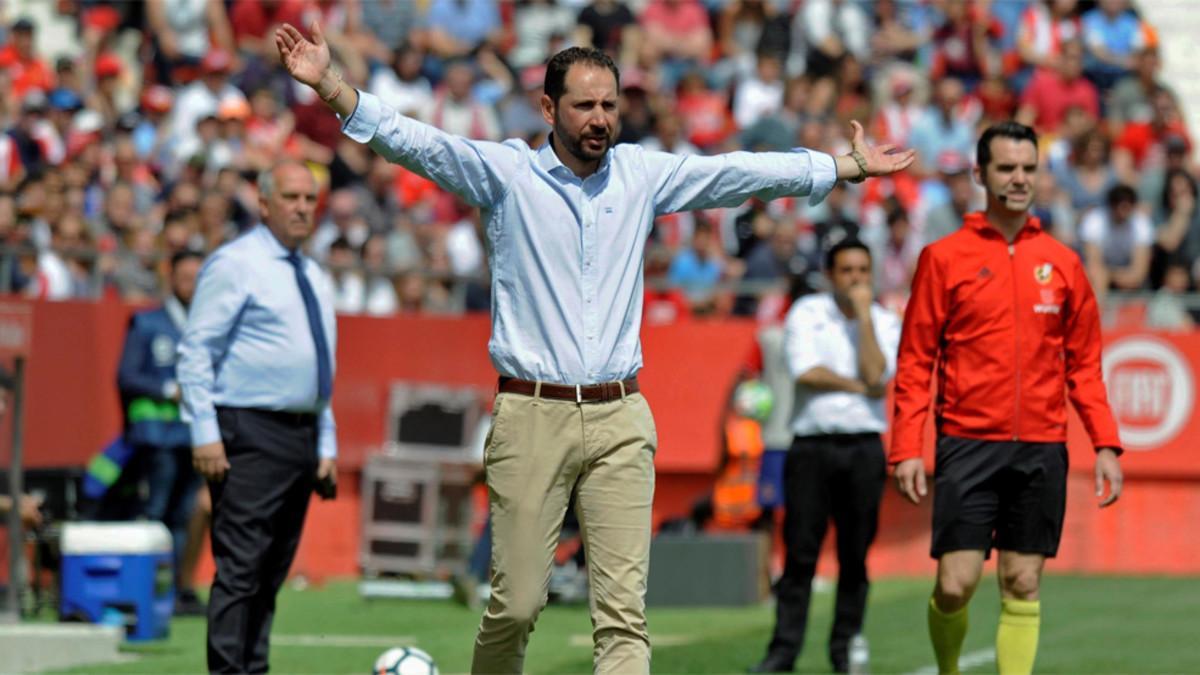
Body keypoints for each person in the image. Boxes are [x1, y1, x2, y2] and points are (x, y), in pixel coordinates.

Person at [275, 22, 914, 673]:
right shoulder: (508, 174)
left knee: (624, 618)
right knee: (517, 604)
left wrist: (836, 166)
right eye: (585, 105)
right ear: (549, 108)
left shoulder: (639, 173)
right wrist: (330, 83)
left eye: (610, 104)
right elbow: (414, 141)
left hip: (620, 415)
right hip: (531, 414)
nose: (601, 118)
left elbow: (731, 172)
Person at [891, 122, 1124, 675]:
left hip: (1041, 447)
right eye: (1006, 168)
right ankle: (949, 670)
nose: (1019, 179)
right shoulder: (943, 258)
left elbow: (1085, 366)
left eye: (1027, 168)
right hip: (967, 444)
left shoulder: (1064, 263)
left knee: (1023, 580)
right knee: (955, 584)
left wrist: (1107, 444)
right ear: (979, 174)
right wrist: (905, 447)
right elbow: (915, 361)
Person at [177, 160, 338, 673]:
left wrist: (325, 440)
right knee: (241, 569)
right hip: (248, 429)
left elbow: (320, 365)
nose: (302, 208)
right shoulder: (235, 263)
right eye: (291, 198)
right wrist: (204, 432)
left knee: (271, 572)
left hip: (301, 432)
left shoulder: (313, 272)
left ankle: (254, 668)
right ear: (264, 204)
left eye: (309, 199)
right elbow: (196, 351)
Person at [750, 239, 902, 674]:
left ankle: (845, 649)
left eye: (863, 271)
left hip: (863, 446)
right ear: (831, 274)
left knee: (856, 557)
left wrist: (865, 320)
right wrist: (860, 388)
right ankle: (783, 653)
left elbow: (878, 373)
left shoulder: (884, 320)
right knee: (800, 555)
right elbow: (807, 372)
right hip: (812, 446)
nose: (856, 279)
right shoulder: (807, 313)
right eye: (848, 271)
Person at [116, 249, 207, 616]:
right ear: (172, 278)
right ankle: (146, 590)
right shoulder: (148, 323)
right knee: (156, 512)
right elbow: (127, 375)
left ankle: (177, 592)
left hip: (194, 437)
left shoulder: (208, 328)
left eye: (198, 279)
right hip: (158, 438)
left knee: (186, 516)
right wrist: (170, 390)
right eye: (186, 278)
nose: (192, 285)